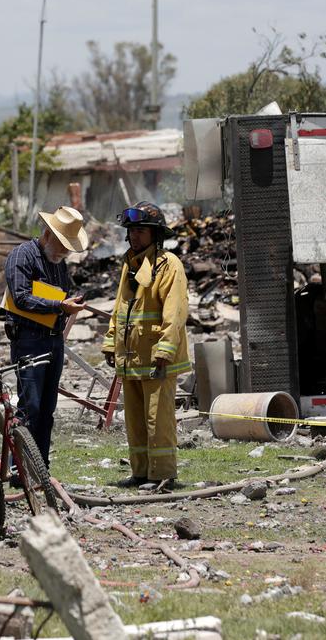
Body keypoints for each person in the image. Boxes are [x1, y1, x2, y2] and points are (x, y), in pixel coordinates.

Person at [101, 201, 190, 489]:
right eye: (131, 231)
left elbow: (175, 312)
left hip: (156, 359)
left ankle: (163, 474)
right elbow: (120, 308)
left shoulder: (169, 265)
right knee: (136, 420)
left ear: (155, 234)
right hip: (131, 358)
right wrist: (109, 342)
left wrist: (164, 350)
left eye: (140, 231)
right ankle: (140, 473)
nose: (134, 236)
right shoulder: (130, 263)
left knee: (157, 419)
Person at [3, 205, 88, 469]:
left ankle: (40, 466)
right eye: (62, 244)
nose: (64, 252)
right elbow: (21, 297)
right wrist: (60, 306)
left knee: (47, 410)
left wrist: (67, 304)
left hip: (53, 340)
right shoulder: (22, 256)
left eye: (68, 247)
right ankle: (19, 467)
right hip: (29, 340)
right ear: (48, 234)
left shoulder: (58, 264)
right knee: (31, 408)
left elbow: (59, 295)